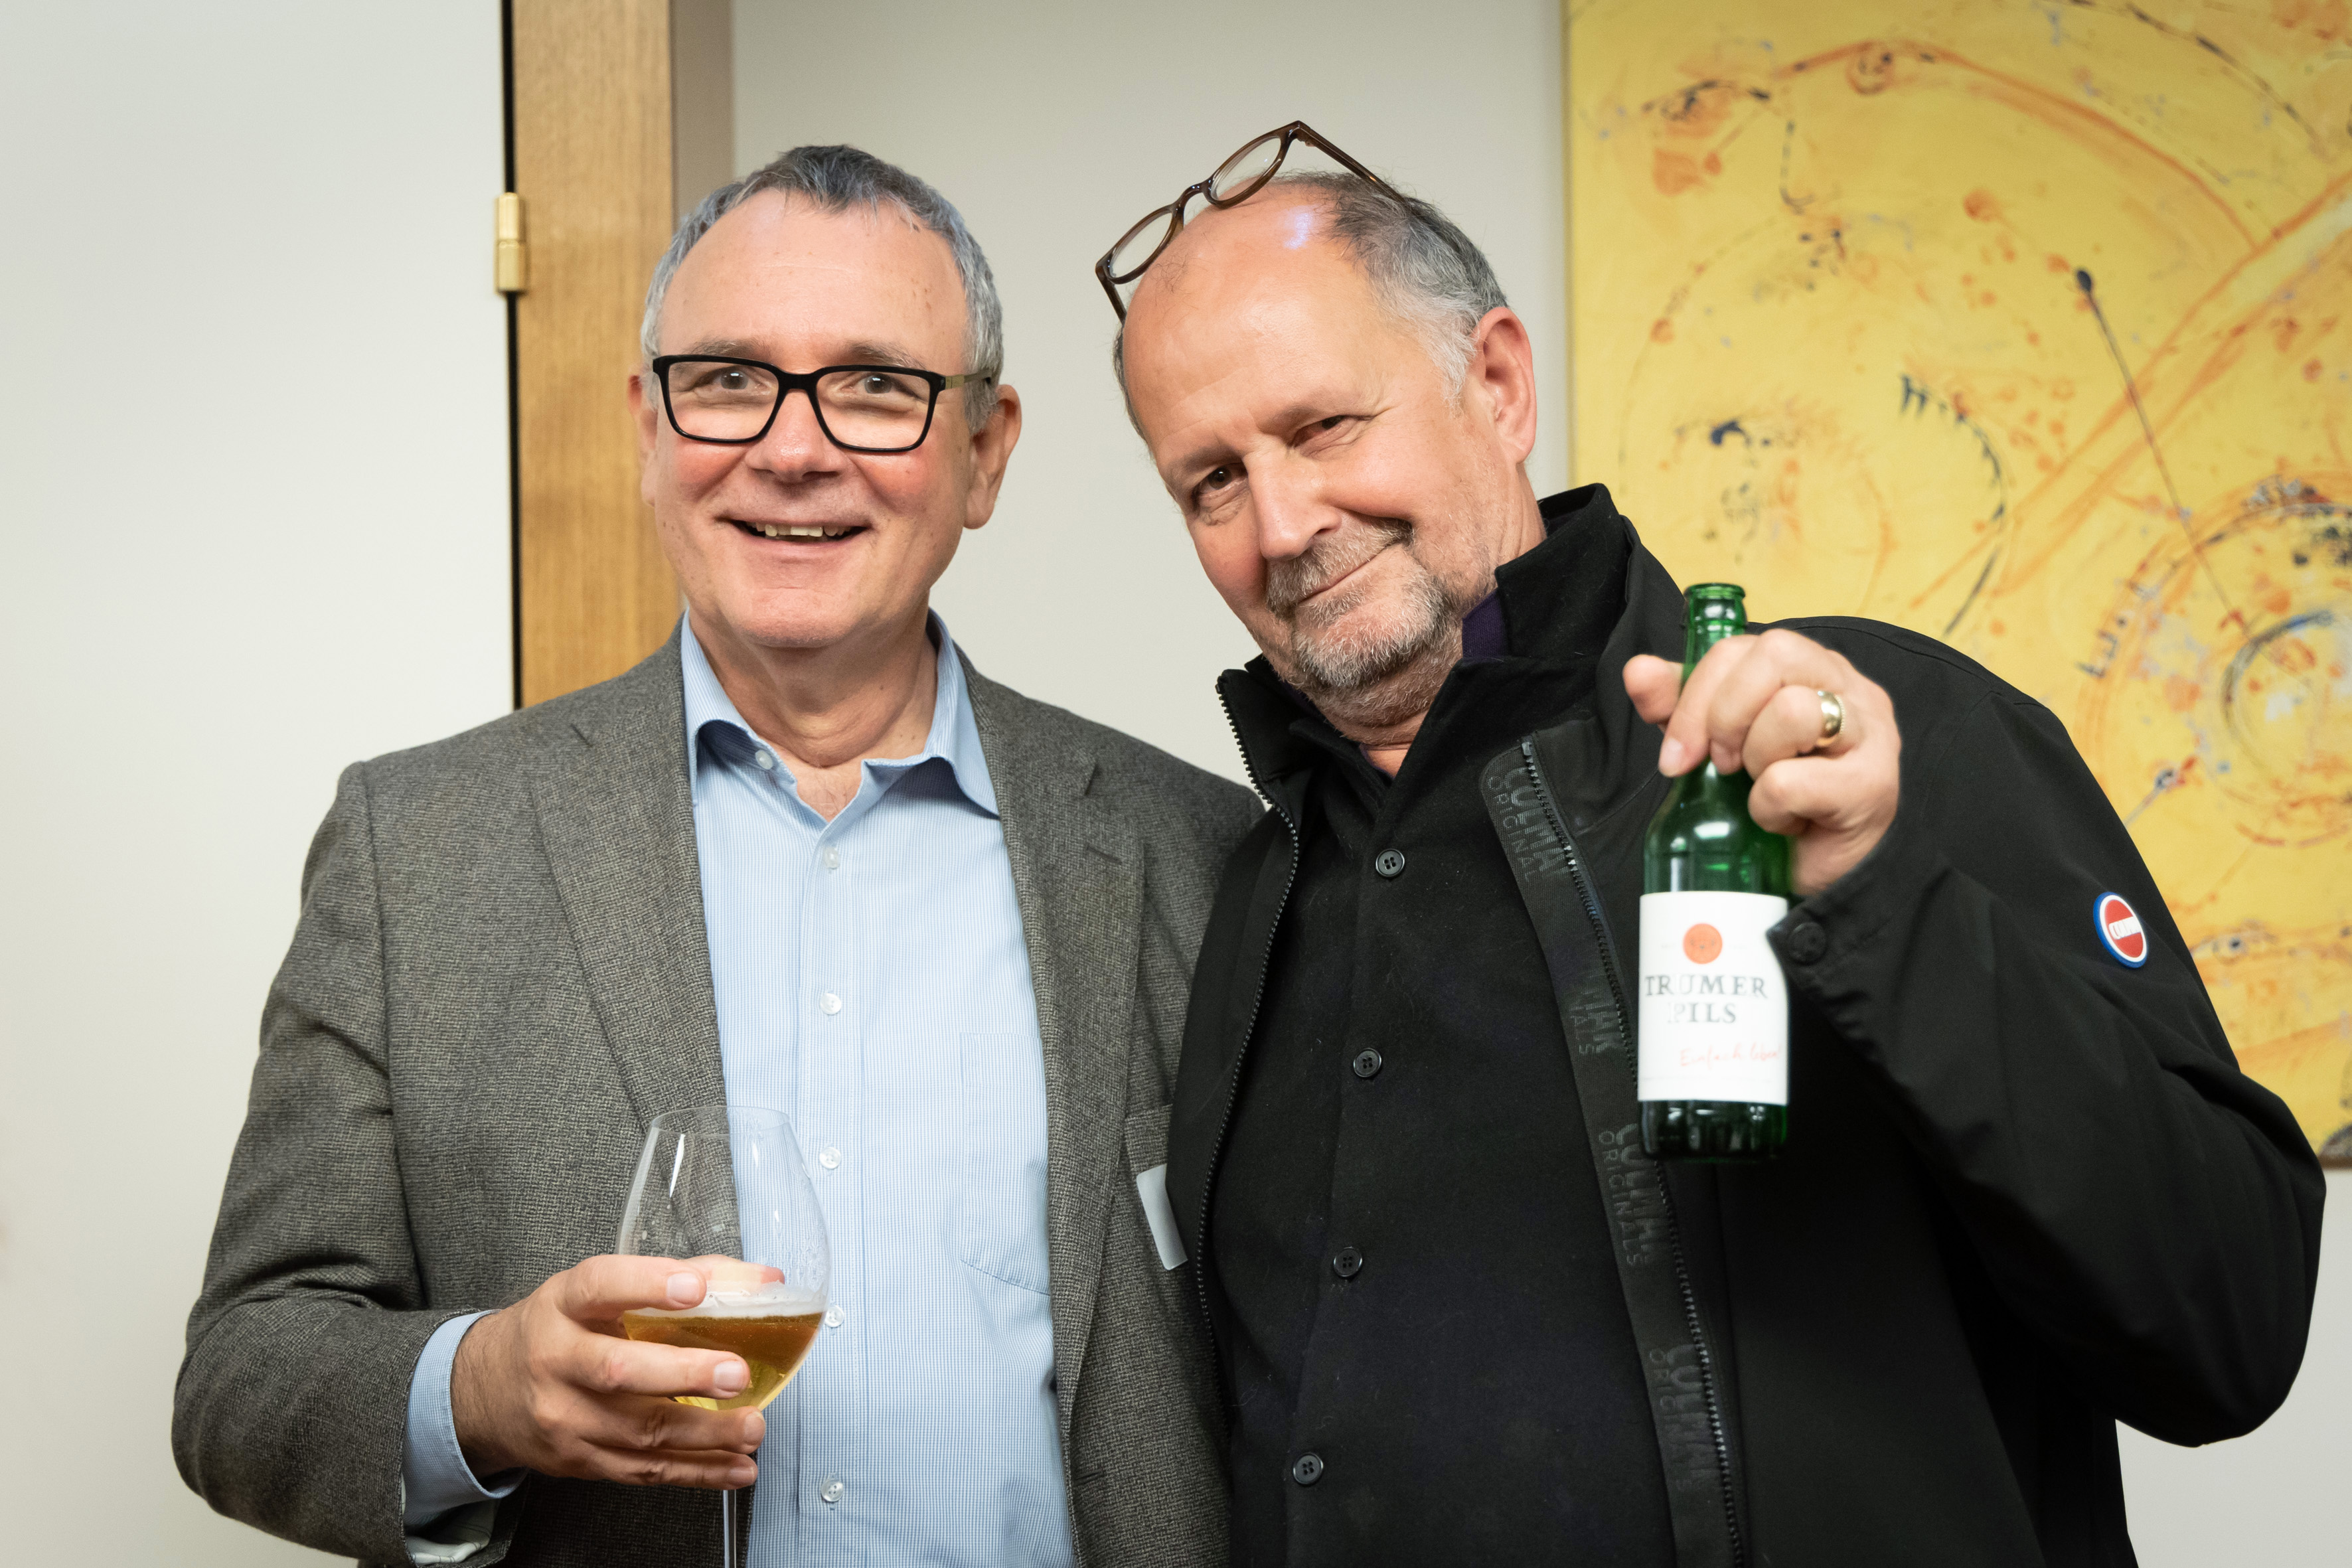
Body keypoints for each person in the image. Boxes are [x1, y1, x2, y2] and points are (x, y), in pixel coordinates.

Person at [1107, 122, 2327, 1566]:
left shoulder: (1865, 740)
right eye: (1212, 481)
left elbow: (2229, 1324)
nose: (1281, 522)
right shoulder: (1245, 897)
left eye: (1322, 427)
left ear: (1496, 384)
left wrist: (1880, 898)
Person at [175, 145, 1254, 1568]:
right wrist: (481, 1386)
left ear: (985, 451)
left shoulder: (1202, 851)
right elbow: (243, 1372)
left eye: (875, 386)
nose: (792, 449)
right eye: (732, 379)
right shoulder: (415, 850)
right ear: (648, 426)